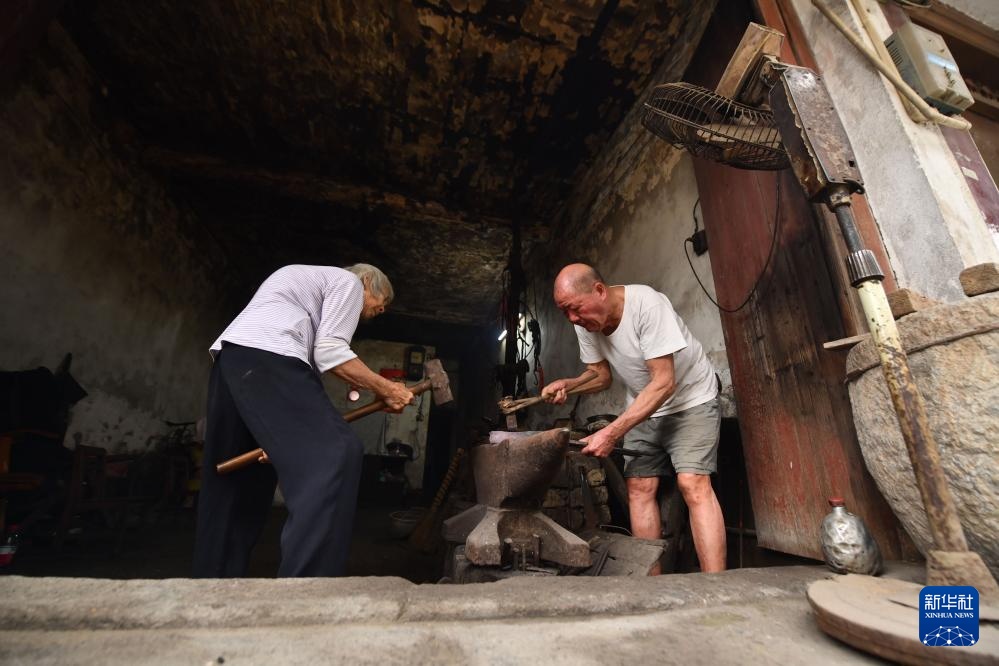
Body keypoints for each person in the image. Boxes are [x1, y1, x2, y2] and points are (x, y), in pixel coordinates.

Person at [193, 263, 414, 578]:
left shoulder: (303, 290)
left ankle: (211, 586)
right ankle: (307, 590)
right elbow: (331, 350)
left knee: (239, 481)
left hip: (234, 361)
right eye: (382, 301)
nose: (381, 310)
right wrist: (388, 387)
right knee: (337, 453)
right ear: (367, 280)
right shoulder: (348, 282)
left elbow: (309, 367)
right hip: (269, 357)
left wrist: (283, 435)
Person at [543, 263, 725, 574]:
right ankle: (650, 586)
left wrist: (611, 433)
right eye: (565, 313)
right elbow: (601, 377)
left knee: (692, 483)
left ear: (599, 290)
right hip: (646, 402)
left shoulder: (646, 305)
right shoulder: (585, 323)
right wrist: (570, 385)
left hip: (690, 398)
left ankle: (718, 586)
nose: (573, 319)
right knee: (639, 487)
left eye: (575, 309)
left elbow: (665, 382)